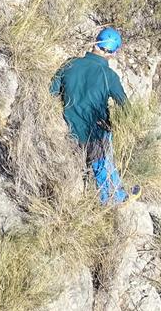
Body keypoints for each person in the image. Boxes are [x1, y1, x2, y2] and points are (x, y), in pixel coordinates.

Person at [50, 27, 140, 204]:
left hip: (68, 129)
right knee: (103, 164)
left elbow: (52, 91)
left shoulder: (70, 63)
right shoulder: (109, 76)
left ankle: (104, 194)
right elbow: (126, 109)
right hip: (94, 134)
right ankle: (115, 199)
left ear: (96, 42)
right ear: (113, 53)